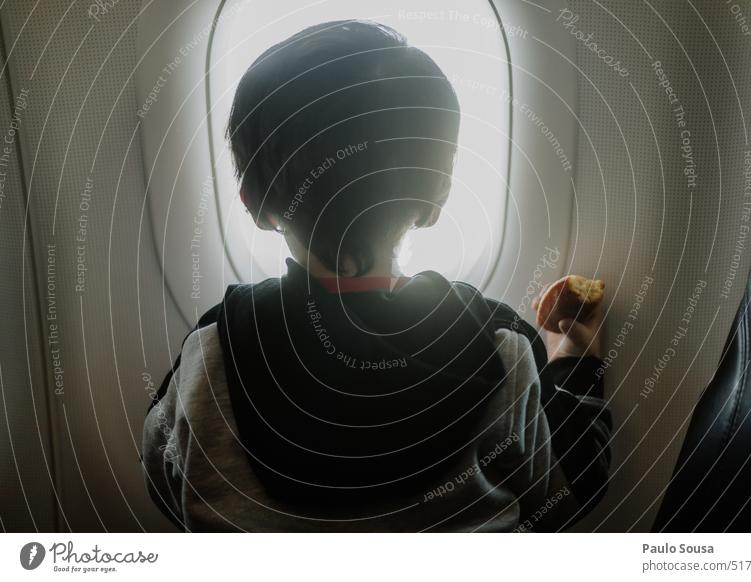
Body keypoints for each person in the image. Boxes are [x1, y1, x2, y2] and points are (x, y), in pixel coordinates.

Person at [141, 19, 611, 532]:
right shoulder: (497, 347)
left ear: (254, 203)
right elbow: (566, 499)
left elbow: (164, 478)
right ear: (435, 197)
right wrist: (575, 357)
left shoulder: (210, 352)